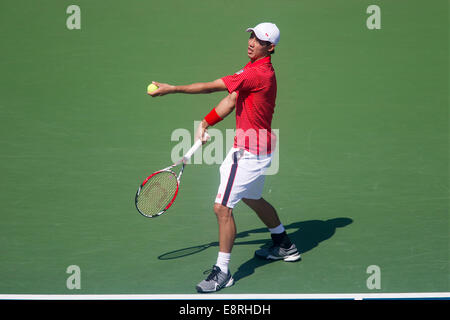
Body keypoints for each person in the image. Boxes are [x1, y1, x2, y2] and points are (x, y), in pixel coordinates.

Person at [148, 22, 300, 293]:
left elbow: (210, 87)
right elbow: (231, 101)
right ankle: (284, 244)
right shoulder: (254, 71)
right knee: (252, 197)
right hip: (258, 147)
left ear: (270, 47)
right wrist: (205, 123)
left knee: (222, 208)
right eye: (252, 36)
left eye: (260, 40)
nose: (252, 42)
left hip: (249, 152)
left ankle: (223, 272)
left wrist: (172, 89)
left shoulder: (256, 74)